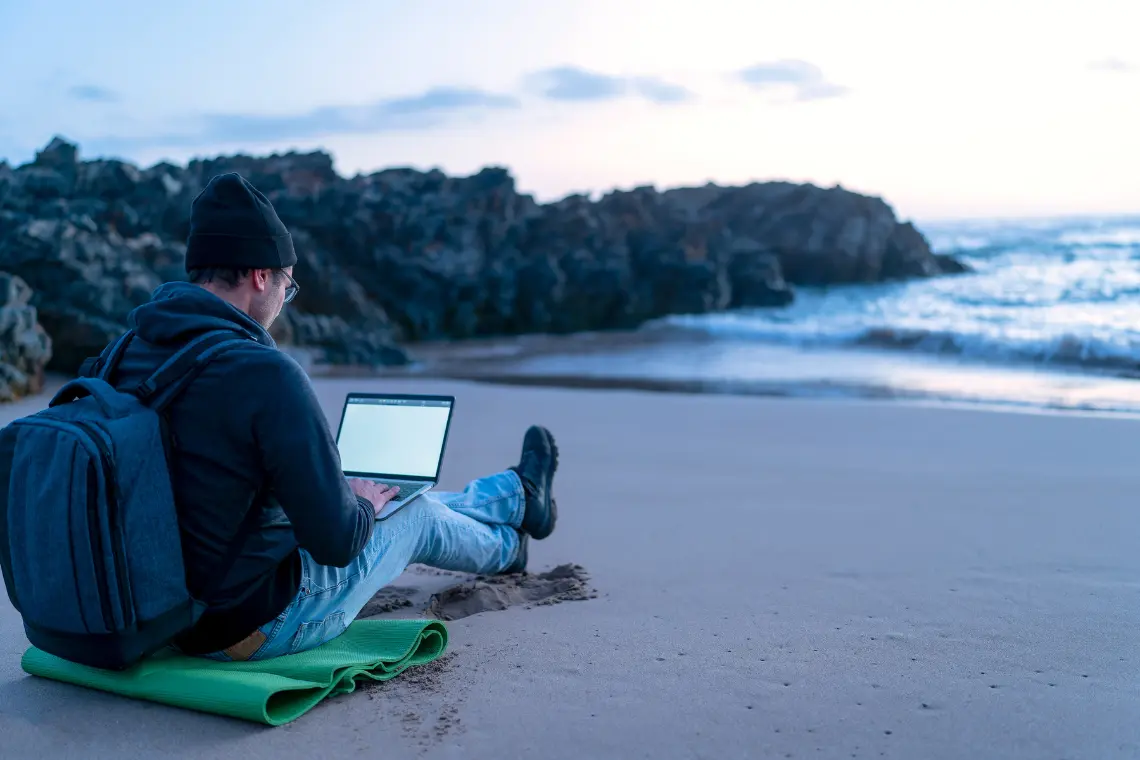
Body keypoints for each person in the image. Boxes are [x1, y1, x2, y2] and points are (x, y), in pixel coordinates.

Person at [93, 172, 559, 662]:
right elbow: (338, 544)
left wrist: (351, 499)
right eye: (287, 285)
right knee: (411, 512)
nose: (284, 300)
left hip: (147, 608)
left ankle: (515, 498)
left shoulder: (123, 355)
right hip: (242, 628)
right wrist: (357, 506)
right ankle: (510, 547)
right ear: (260, 275)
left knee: (380, 497)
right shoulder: (264, 373)